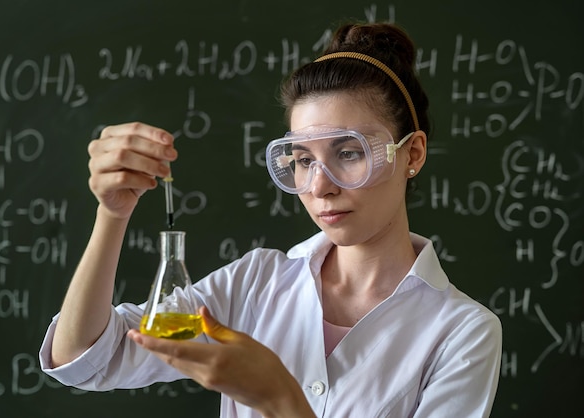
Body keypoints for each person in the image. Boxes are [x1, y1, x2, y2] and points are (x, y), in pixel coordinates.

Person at [39, 21, 502, 417]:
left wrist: (281, 400)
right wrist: (112, 213)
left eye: (348, 152)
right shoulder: (258, 282)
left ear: (412, 154)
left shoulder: (462, 332)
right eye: (301, 159)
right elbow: (86, 357)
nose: (320, 186)